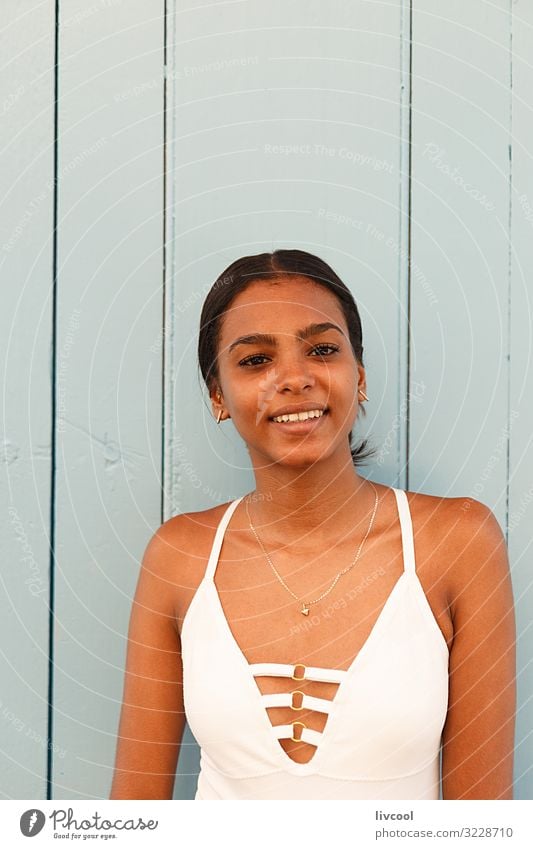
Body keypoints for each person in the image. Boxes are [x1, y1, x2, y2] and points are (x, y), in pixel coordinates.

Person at [110, 249, 516, 800]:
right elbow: (132, 818)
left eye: (322, 349)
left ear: (359, 376)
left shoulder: (458, 540)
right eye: (255, 360)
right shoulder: (180, 556)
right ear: (217, 397)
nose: (295, 378)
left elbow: (480, 826)